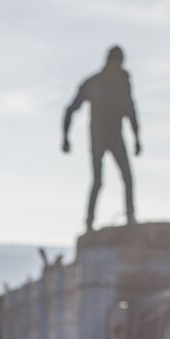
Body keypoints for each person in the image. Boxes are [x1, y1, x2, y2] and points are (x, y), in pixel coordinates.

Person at [62, 45, 141, 231]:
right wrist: (65, 137)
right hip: (98, 137)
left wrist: (137, 137)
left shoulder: (123, 82)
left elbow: (131, 109)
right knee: (98, 181)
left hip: (115, 136)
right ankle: (89, 223)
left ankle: (130, 217)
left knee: (127, 179)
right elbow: (70, 109)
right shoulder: (93, 83)